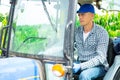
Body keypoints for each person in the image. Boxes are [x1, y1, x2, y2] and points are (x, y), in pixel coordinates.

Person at [73, 4, 109, 80]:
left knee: (84, 76)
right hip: (80, 62)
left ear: (92, 16)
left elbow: (101, 58)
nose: (80, 17)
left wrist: (81, 66)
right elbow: (67, 46)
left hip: (98, 66)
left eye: (83, 14)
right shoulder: (76, 31)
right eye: (79, 15)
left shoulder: (101, 32)